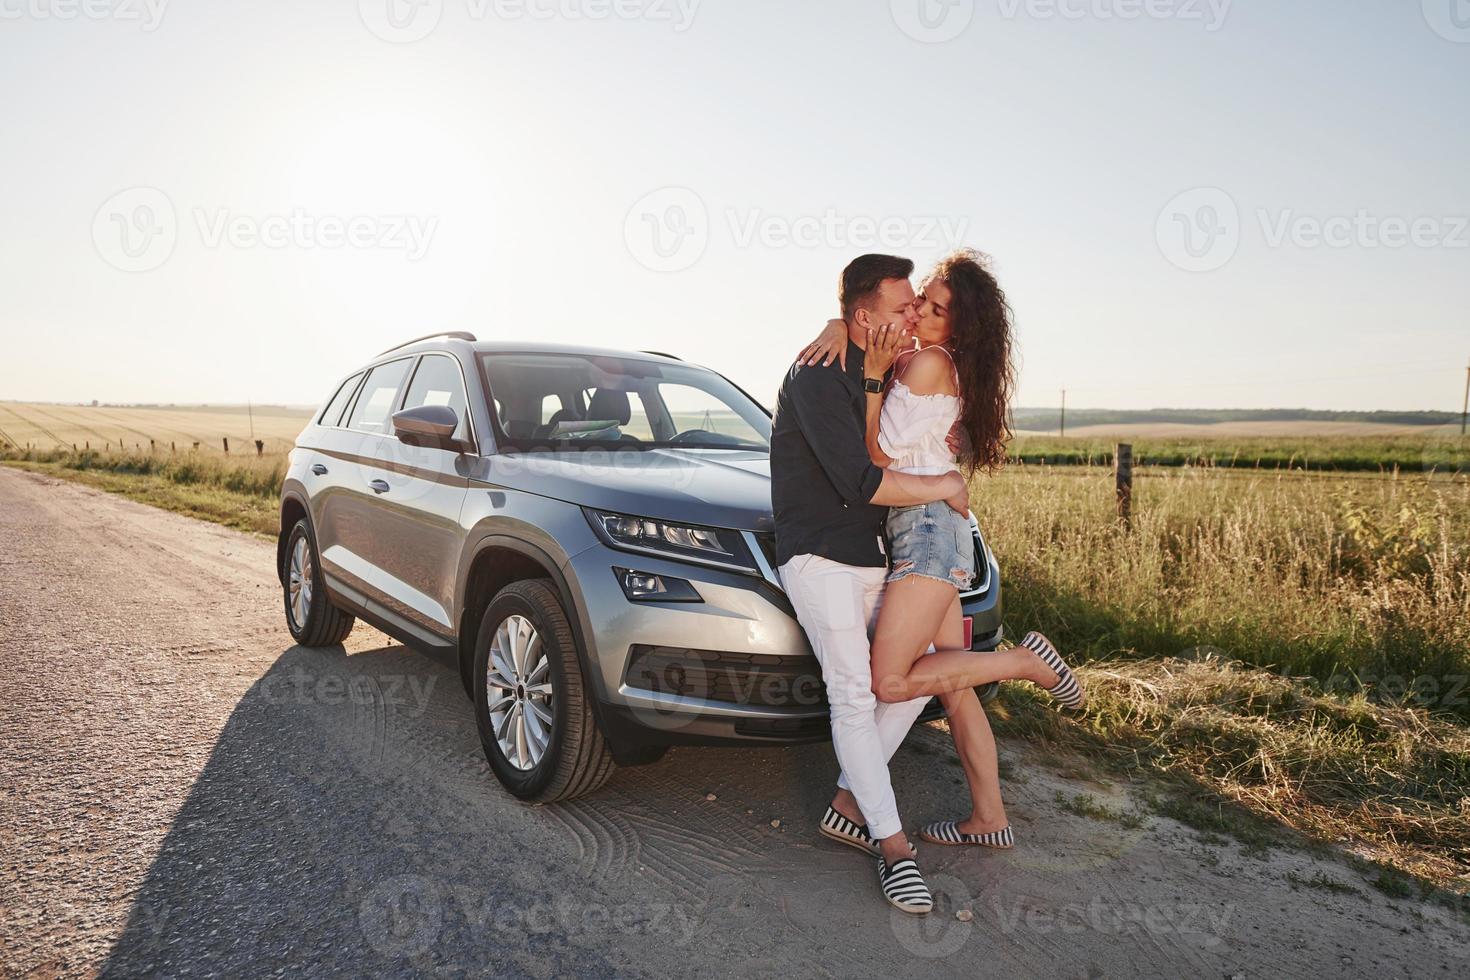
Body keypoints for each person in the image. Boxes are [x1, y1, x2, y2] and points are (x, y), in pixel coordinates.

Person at [795, 249, 1085, 861]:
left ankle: (1023, 664)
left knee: (891, 680)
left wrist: (875, 382)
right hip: (936, 525)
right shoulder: (922, 354)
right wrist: (833, 323)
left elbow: (875, 458)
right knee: (952, 680)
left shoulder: (926, 364)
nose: (922, 311)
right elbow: (863, 324)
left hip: (925, 528)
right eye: (921, 299)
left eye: (937, 308)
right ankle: (990, 817)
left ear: (960, 326)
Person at [771, 254, 966, 914]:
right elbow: (864, 481)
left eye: (917, 304)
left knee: (916, 671)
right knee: (854, 696)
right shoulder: (817, 375)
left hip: (873, 557)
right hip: (820, 558)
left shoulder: (881, 366)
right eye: (902, 306)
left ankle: (848, 802)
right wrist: (943, 484)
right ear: (863, 316)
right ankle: (895, 849)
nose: (913, 314)